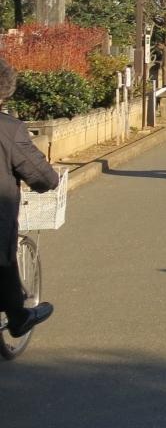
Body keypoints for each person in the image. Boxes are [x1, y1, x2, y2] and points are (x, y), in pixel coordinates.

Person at [0, 57, 58, 338]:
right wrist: (48, 183)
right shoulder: (8, 129)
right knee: (4, 260)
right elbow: (41, 175)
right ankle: (18, 317)